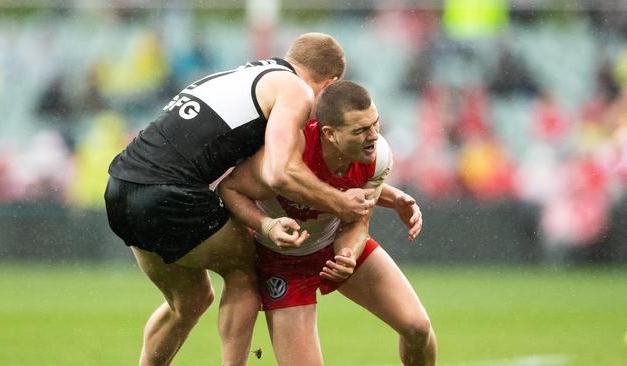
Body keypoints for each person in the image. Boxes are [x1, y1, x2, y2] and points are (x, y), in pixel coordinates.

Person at [103, 33, 375, 366]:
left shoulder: (244, 74)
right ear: (330, 83)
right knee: (243, 270)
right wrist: (339, 203)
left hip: (120, 187)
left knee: (188, 302)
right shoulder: (296, 90)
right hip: (168, 192)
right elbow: (280, 172)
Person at [219, 80, 437, 366]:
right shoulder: (289, 151)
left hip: (331, 246)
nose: (373, 136)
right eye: (360, 130)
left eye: (375, 123)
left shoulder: (378, 156)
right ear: (330, 134)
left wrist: (349, 253)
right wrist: (266, 225)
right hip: (281, 263)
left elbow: (358, 220)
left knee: (418, 328)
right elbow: (230, 189)